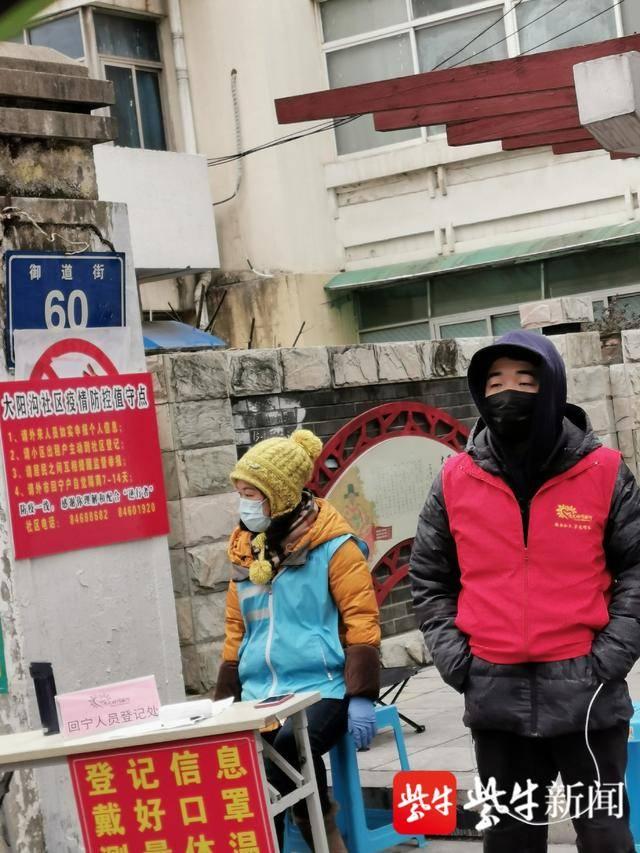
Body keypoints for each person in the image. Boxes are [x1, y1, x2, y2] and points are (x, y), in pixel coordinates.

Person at [409, 329, 640, 853]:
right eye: (494, 383)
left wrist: (610, 656)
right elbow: (429, 578)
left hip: (587, 693)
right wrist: (457, 661)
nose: (506, 393)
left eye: (524, 380)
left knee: (605, 833)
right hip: (494, 694)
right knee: (510, 836)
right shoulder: (455, 479)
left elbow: (636, 568)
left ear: (552, 386)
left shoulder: (602, 472)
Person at [214, 429, 381, 851]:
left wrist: (362, 694)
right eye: (241, 492)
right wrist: (223, 701)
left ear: (283, 493)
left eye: (253, 493)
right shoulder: (245, 552)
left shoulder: (335, 547)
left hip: (323, 687)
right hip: (260, 690)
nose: (244, 503)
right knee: (245, 760)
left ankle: (313, 843)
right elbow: (237, 630)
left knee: (291, 745)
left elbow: (361, 618)